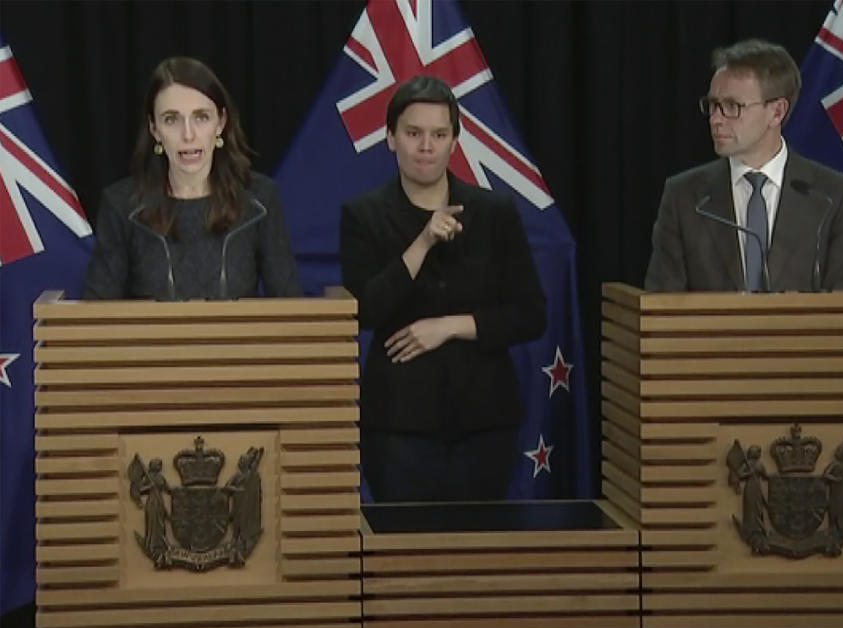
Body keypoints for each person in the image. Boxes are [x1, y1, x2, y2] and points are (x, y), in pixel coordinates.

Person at [340, 75, 546, 502]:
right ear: (391, 138)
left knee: (478, 555)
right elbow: (365, 312)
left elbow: (531, 315)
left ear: (455, 140)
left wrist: (451, 326)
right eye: (413, 134)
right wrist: (423, 242)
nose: (426, 146)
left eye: (439, 134)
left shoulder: (495, 212)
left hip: (485, 423)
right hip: (399, 427)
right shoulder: (363, 215)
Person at [644, 39, 843, 292]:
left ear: (776, 112)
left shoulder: (831, 196)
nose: (716, 119)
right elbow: (661, 305)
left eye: (732, 106)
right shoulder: (684, 196)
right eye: (713, 105)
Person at [84, 57, 300, 300]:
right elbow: (96, 312)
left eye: (201, 117)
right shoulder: (121, 206)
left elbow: (289, 306)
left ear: (221, 123)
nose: (188, 134)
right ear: (154, 129)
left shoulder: (259, 201)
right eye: (171, 119)